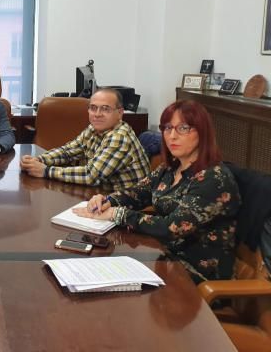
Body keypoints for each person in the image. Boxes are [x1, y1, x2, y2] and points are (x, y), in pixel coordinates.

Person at [75, 100, 241, 283]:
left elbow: (171, 228)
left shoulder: (213, 178)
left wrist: (118, 214)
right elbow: (138, 193)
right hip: (163, 257)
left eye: (183, 128)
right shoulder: (170, 168)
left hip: (196, 274)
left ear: (202, 132)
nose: (172, 136)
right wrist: (108, 200)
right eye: (168, 128)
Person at [20, 88, 150, 191]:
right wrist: (38, 160)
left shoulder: (120, 137)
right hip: (102, 196)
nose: (97, 114)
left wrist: (46, 171)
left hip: (128, 207)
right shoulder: (94, 129)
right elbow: (68, 152)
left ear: (120, 113)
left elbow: (91, 175)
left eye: (105, 109)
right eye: (93, 108)